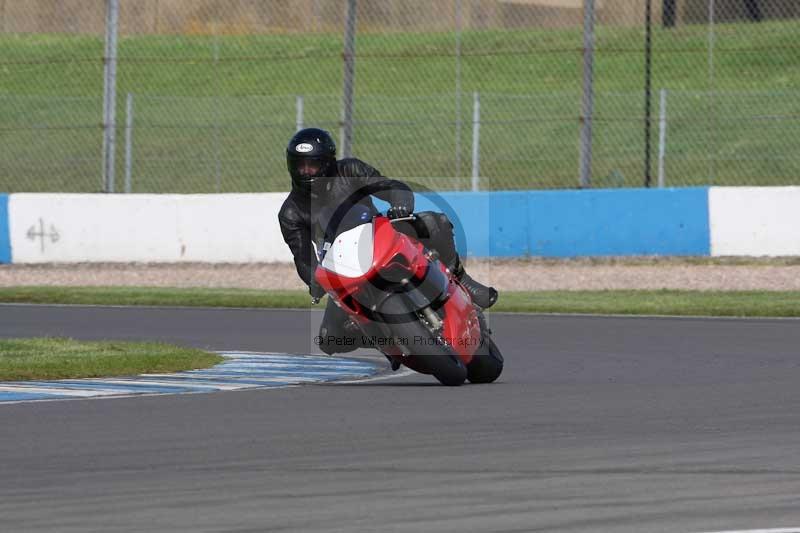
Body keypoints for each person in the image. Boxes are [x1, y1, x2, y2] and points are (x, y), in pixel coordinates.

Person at [278, 127, 497, 356]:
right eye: (300, 165)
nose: (306, 171)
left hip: (379, 237)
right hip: (342, 268)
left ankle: (462, 280)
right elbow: (304, 259)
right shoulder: (291, 213)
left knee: (435, 223)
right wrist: (317, 282)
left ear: (327, 163)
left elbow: (389, 187)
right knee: (328, 339)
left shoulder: (349, 170)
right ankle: (384, 337)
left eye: (312, 165)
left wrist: (400, 203)